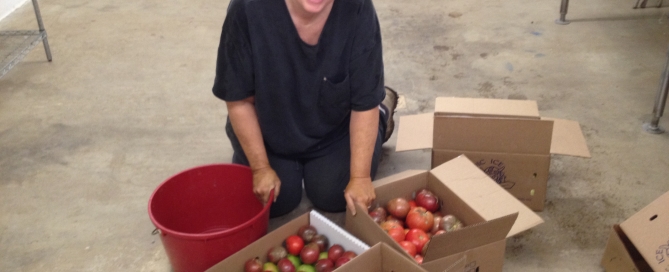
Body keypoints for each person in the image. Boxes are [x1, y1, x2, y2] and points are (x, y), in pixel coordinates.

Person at [212, 0, 398, 218]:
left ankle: (383, 111)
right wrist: (260, 168)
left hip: (333, 127)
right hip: (269, 128)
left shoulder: (357, 7)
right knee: (274, 201)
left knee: (335, 195)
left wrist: (360, 178)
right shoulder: (247, 8)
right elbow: (239, 99)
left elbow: (364, 104)